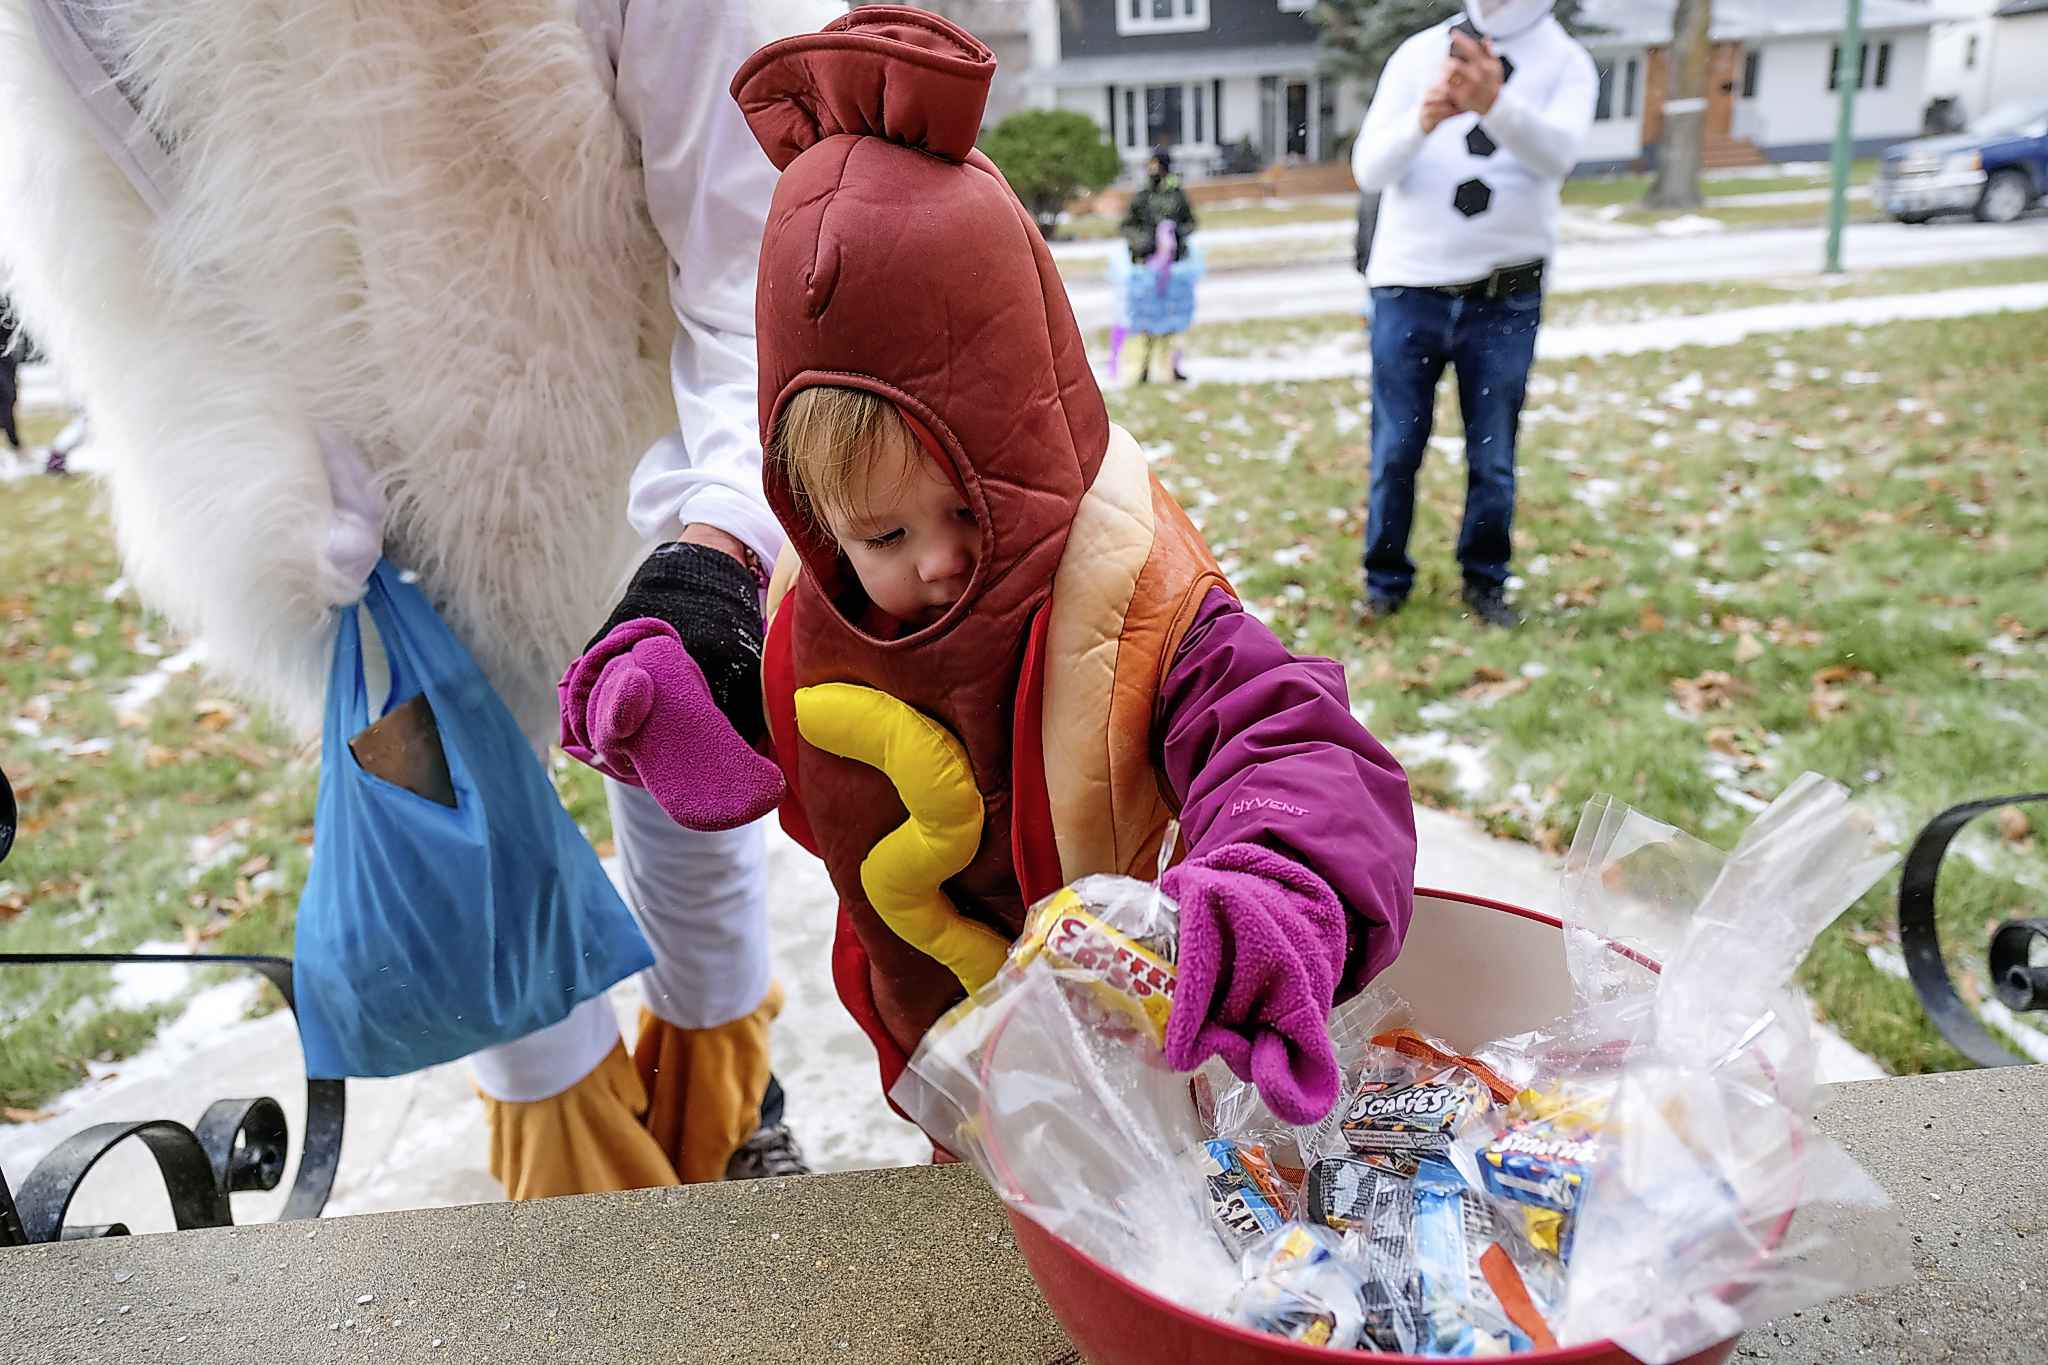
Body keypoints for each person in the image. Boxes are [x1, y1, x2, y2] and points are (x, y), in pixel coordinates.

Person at [0, 0, 838, 1197]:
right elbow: (131, 160)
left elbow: (744, 231)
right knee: (450, 854)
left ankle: (724, 1097)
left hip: (633, 425)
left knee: (690, 796)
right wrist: (271, 456)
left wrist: (721, 534)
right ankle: (580, 1186)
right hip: (363, 508)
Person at [569, 9, 1417, 1127]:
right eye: (880, 537)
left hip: (1161, 1060)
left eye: (966, 505)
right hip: (949, 1071)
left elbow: (1292, 745)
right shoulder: (822, 620)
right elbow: (772, 711)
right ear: (818, 530)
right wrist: (683, 679)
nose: (933, 563)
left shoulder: (1132, 599)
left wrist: (1270, 893)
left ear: (1034, 437)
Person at [1349, 0, 1594, 629]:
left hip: (1505, 298)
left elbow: (1558, 156)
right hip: (1409, 289)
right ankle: (1385, 582)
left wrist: (1496, 104)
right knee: (1397, 446)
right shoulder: (1416, 55)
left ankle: (1485, 582)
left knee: (1493, 453)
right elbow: (1370, 168)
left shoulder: (1567, 63)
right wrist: (1424, 119)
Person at [1117, 146, 1202, 385]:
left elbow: (1191, 222)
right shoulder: (1143, 196)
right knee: (1147, 320)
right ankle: (1143, 368)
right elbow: (1127, 226)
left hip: (1174, 269)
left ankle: (1173, 367)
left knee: (1172, 322)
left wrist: (1176, 236)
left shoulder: (1177, 195)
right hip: (1147, 269)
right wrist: (1142, 242)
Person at [0, 300, 22, 455]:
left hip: (5, 357)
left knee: (9, 398)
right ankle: (15, 444)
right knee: (6, 399)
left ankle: (15, 443)